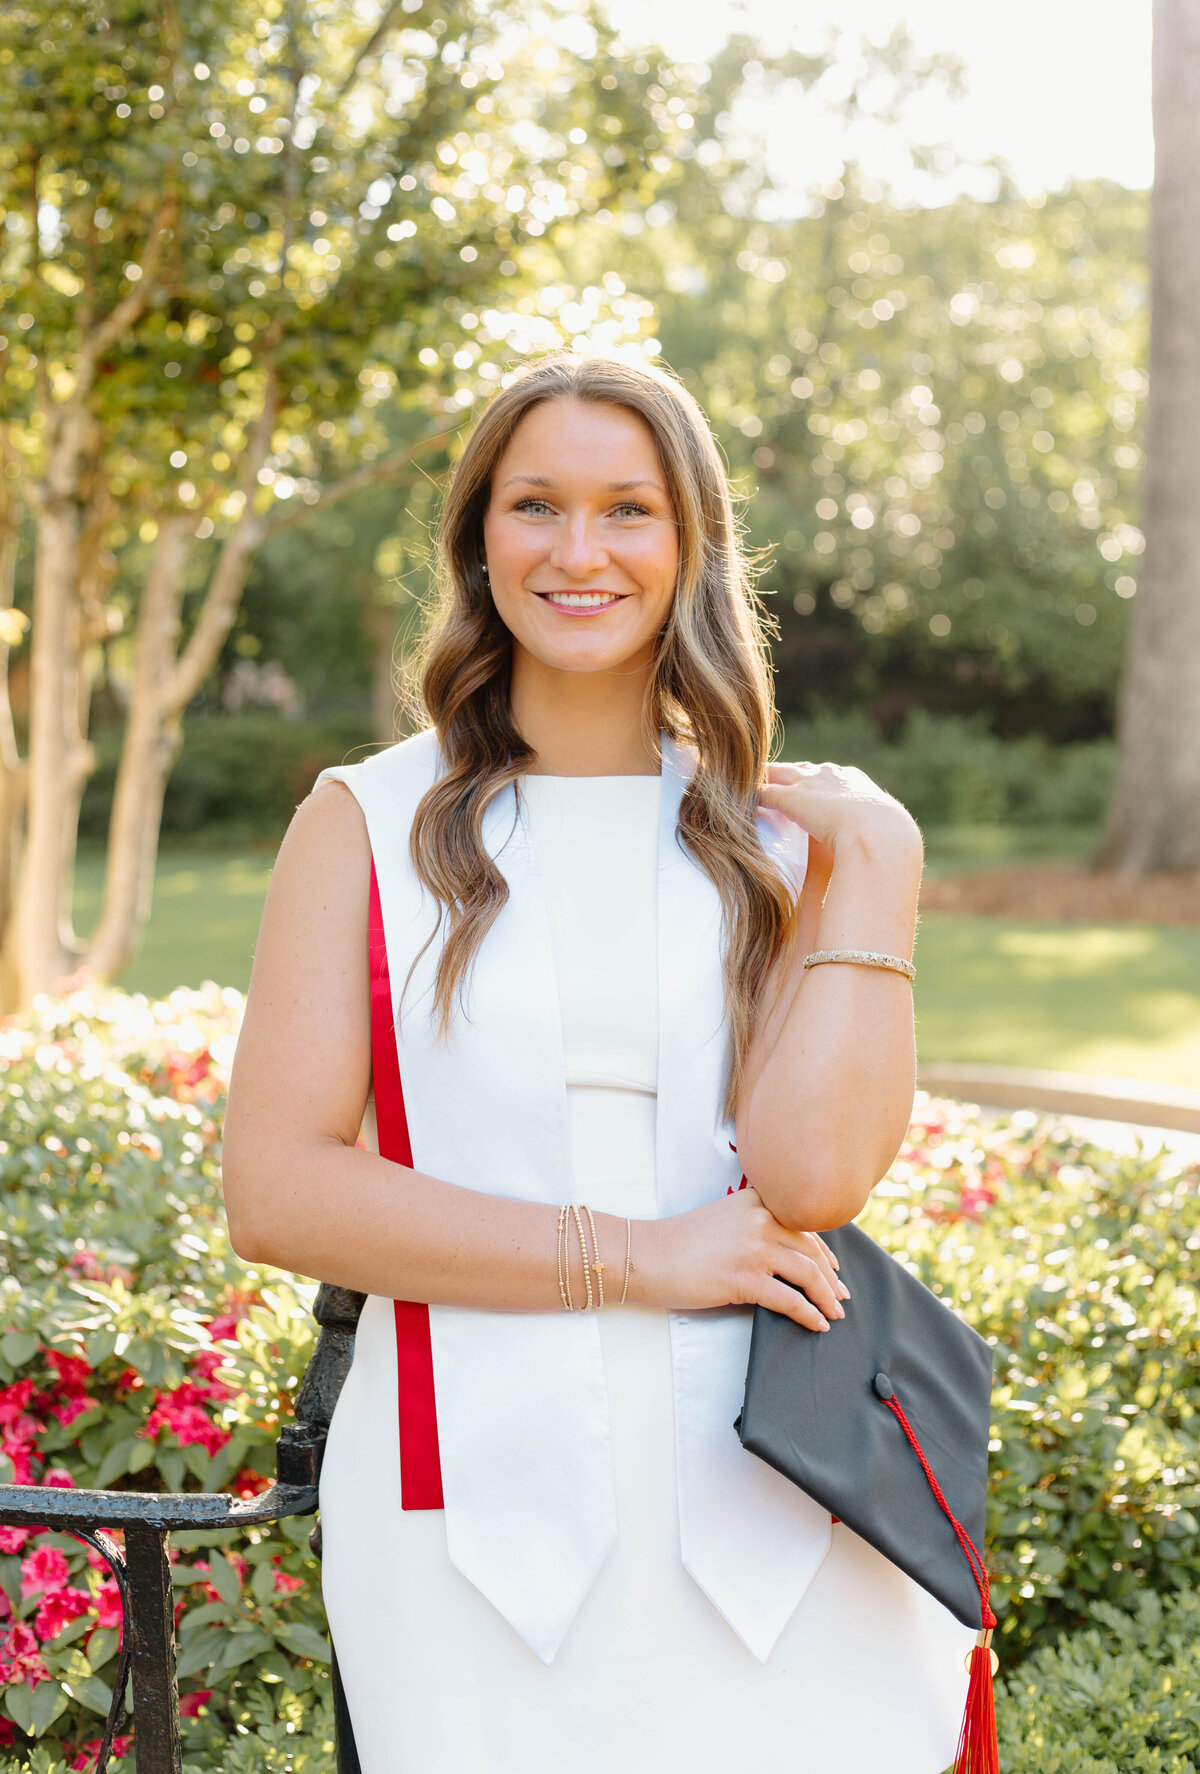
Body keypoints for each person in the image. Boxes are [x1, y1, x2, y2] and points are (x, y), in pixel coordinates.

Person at [222, 351, 974, 1772]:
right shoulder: (365, 824)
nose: (580, 551)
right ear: (478, 541)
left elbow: (812, 1174)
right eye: (535, 506)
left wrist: (878, 864)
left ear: (690, 543)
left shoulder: (784, 836)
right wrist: (642, 1255)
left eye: (628, 508)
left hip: (773, 1485)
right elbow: (275, 1190)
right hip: (464, 1502)